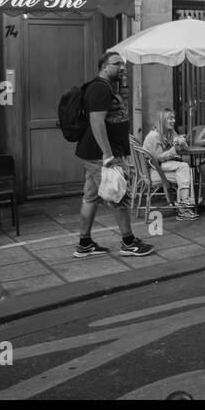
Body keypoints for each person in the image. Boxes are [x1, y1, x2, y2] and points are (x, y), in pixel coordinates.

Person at [72, 52, 154, 258]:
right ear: (104, 67)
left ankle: (84, 243)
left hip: (95, 153)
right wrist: (108, 155)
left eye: (123, 64)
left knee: (91, 196)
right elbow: (96, 122)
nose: (122, 67)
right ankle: (128, 242)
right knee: (119, 196)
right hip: (101, 155)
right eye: (117, 64)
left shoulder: (106, 87)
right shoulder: (100, 88)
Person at [142, 108, 197, 221]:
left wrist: (182, 142)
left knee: (187, 171)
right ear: (162, 120)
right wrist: (175, 148)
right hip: (153, 171)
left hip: (162, 169)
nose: (173, 121)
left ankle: (184, 208)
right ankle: (184, 207)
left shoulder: (170, 132)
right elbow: (158, 158)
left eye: (174, 118)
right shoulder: (154, 136)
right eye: (170, 118)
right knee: (184, 167)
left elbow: (181, 146)